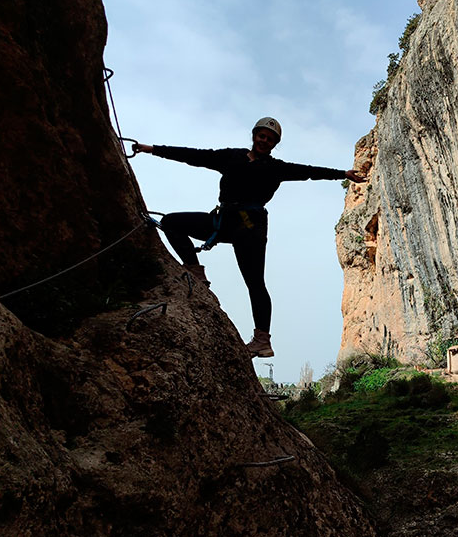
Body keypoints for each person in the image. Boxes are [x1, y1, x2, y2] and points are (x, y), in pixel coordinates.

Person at [132, 117, 365, 358]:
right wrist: (151, 149)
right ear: (254, 136)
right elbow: (195, 156)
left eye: (270, 139)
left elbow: (308, 172)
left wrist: (343, 174)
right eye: (262, 136)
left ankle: (262, 340)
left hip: (250, 228)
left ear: (275, 144)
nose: (264, 141)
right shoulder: (232, 157)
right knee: (172, 222)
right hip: (222, 220)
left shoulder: (276, 168)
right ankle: (195, 271)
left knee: (255, 283)